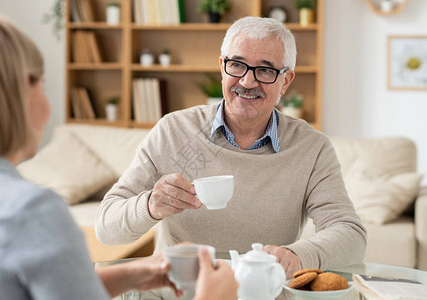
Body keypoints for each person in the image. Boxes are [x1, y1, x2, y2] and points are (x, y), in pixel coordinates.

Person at [0, 12, 237, 300]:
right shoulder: (33, 210)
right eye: (41, 83)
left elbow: (56, 289)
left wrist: (133, 275)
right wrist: (213, 295)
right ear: (16, 94)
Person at [95, 16, 367, 279]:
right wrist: (150, 205)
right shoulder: (173, 131)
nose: (247, 82)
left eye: (265, 70)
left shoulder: (312, 147)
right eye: (237, 65)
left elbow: (351, 234)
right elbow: (106, 228)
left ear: (286, 81)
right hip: (180, 290)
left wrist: (298, 255)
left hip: (263, 291)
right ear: (222, 66)